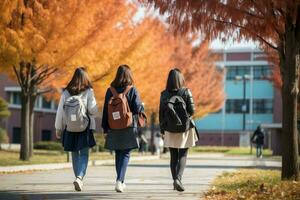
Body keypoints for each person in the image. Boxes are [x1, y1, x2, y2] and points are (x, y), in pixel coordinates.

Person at [55, 67, 99, 191]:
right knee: (84, 154)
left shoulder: (66, 92)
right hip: (85, 128)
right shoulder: (89, 91)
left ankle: (78, 179)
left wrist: (58, 128)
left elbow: (60, 112)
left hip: (70, 128)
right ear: (85, 78)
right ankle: (79, 178)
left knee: (74, 153)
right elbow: (94, 112)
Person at [102, 64, 144, 193]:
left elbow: (105, 111)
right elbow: (137, 109)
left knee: (118, 152)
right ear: (129, 75)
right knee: (125, 153)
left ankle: (120, 180)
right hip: (128, 126)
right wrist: (142, 108)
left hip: (113, 126)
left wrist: (105, 128)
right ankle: (119, 181)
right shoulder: (132, 90)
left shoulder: (110, 90)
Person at [159, 68, 198, 192]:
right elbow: (192, 111)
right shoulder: (186, 92)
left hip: (169, 128)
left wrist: (162, 128)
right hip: (184, 128)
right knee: (183, 154)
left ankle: (175, 179)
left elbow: (161, 113)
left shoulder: (164, 94)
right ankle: (178, 179)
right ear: (181, 79)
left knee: (173, 156)